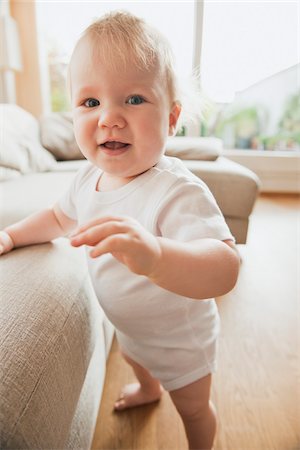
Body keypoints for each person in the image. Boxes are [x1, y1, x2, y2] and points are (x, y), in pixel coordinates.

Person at [0, 11, 240, 450]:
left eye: (133, 99)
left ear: (171, 117)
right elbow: (57, 218)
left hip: (179, 342)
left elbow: (225, 267)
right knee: (135, 359)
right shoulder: (86, 180)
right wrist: (13, 235)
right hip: (131, 328)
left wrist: (157, 255)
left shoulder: (176, 191)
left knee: (193, 408)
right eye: (90, 103)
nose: (109, 118)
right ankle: (148, 389)